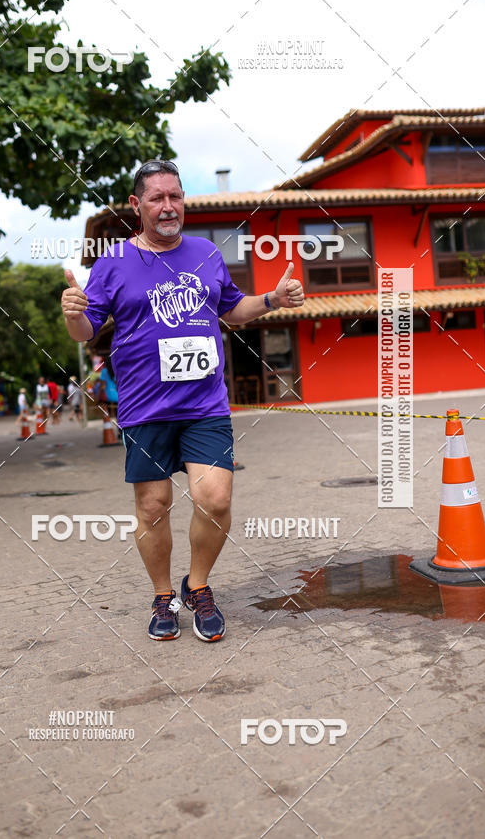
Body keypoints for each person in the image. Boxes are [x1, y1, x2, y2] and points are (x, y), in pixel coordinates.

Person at [61, 159, 304, 643]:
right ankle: (161, 596)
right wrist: (73, 313)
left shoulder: (206, 254)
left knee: (215, 498)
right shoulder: (114, 262)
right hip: (146, 407)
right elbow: (87, 329)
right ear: (137, 205)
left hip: (204, 404)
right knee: (153, 507)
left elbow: (232, 308)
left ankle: (197, 586)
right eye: (156, 198)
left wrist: (273, 299)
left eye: (175, 196)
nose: (168, 206)